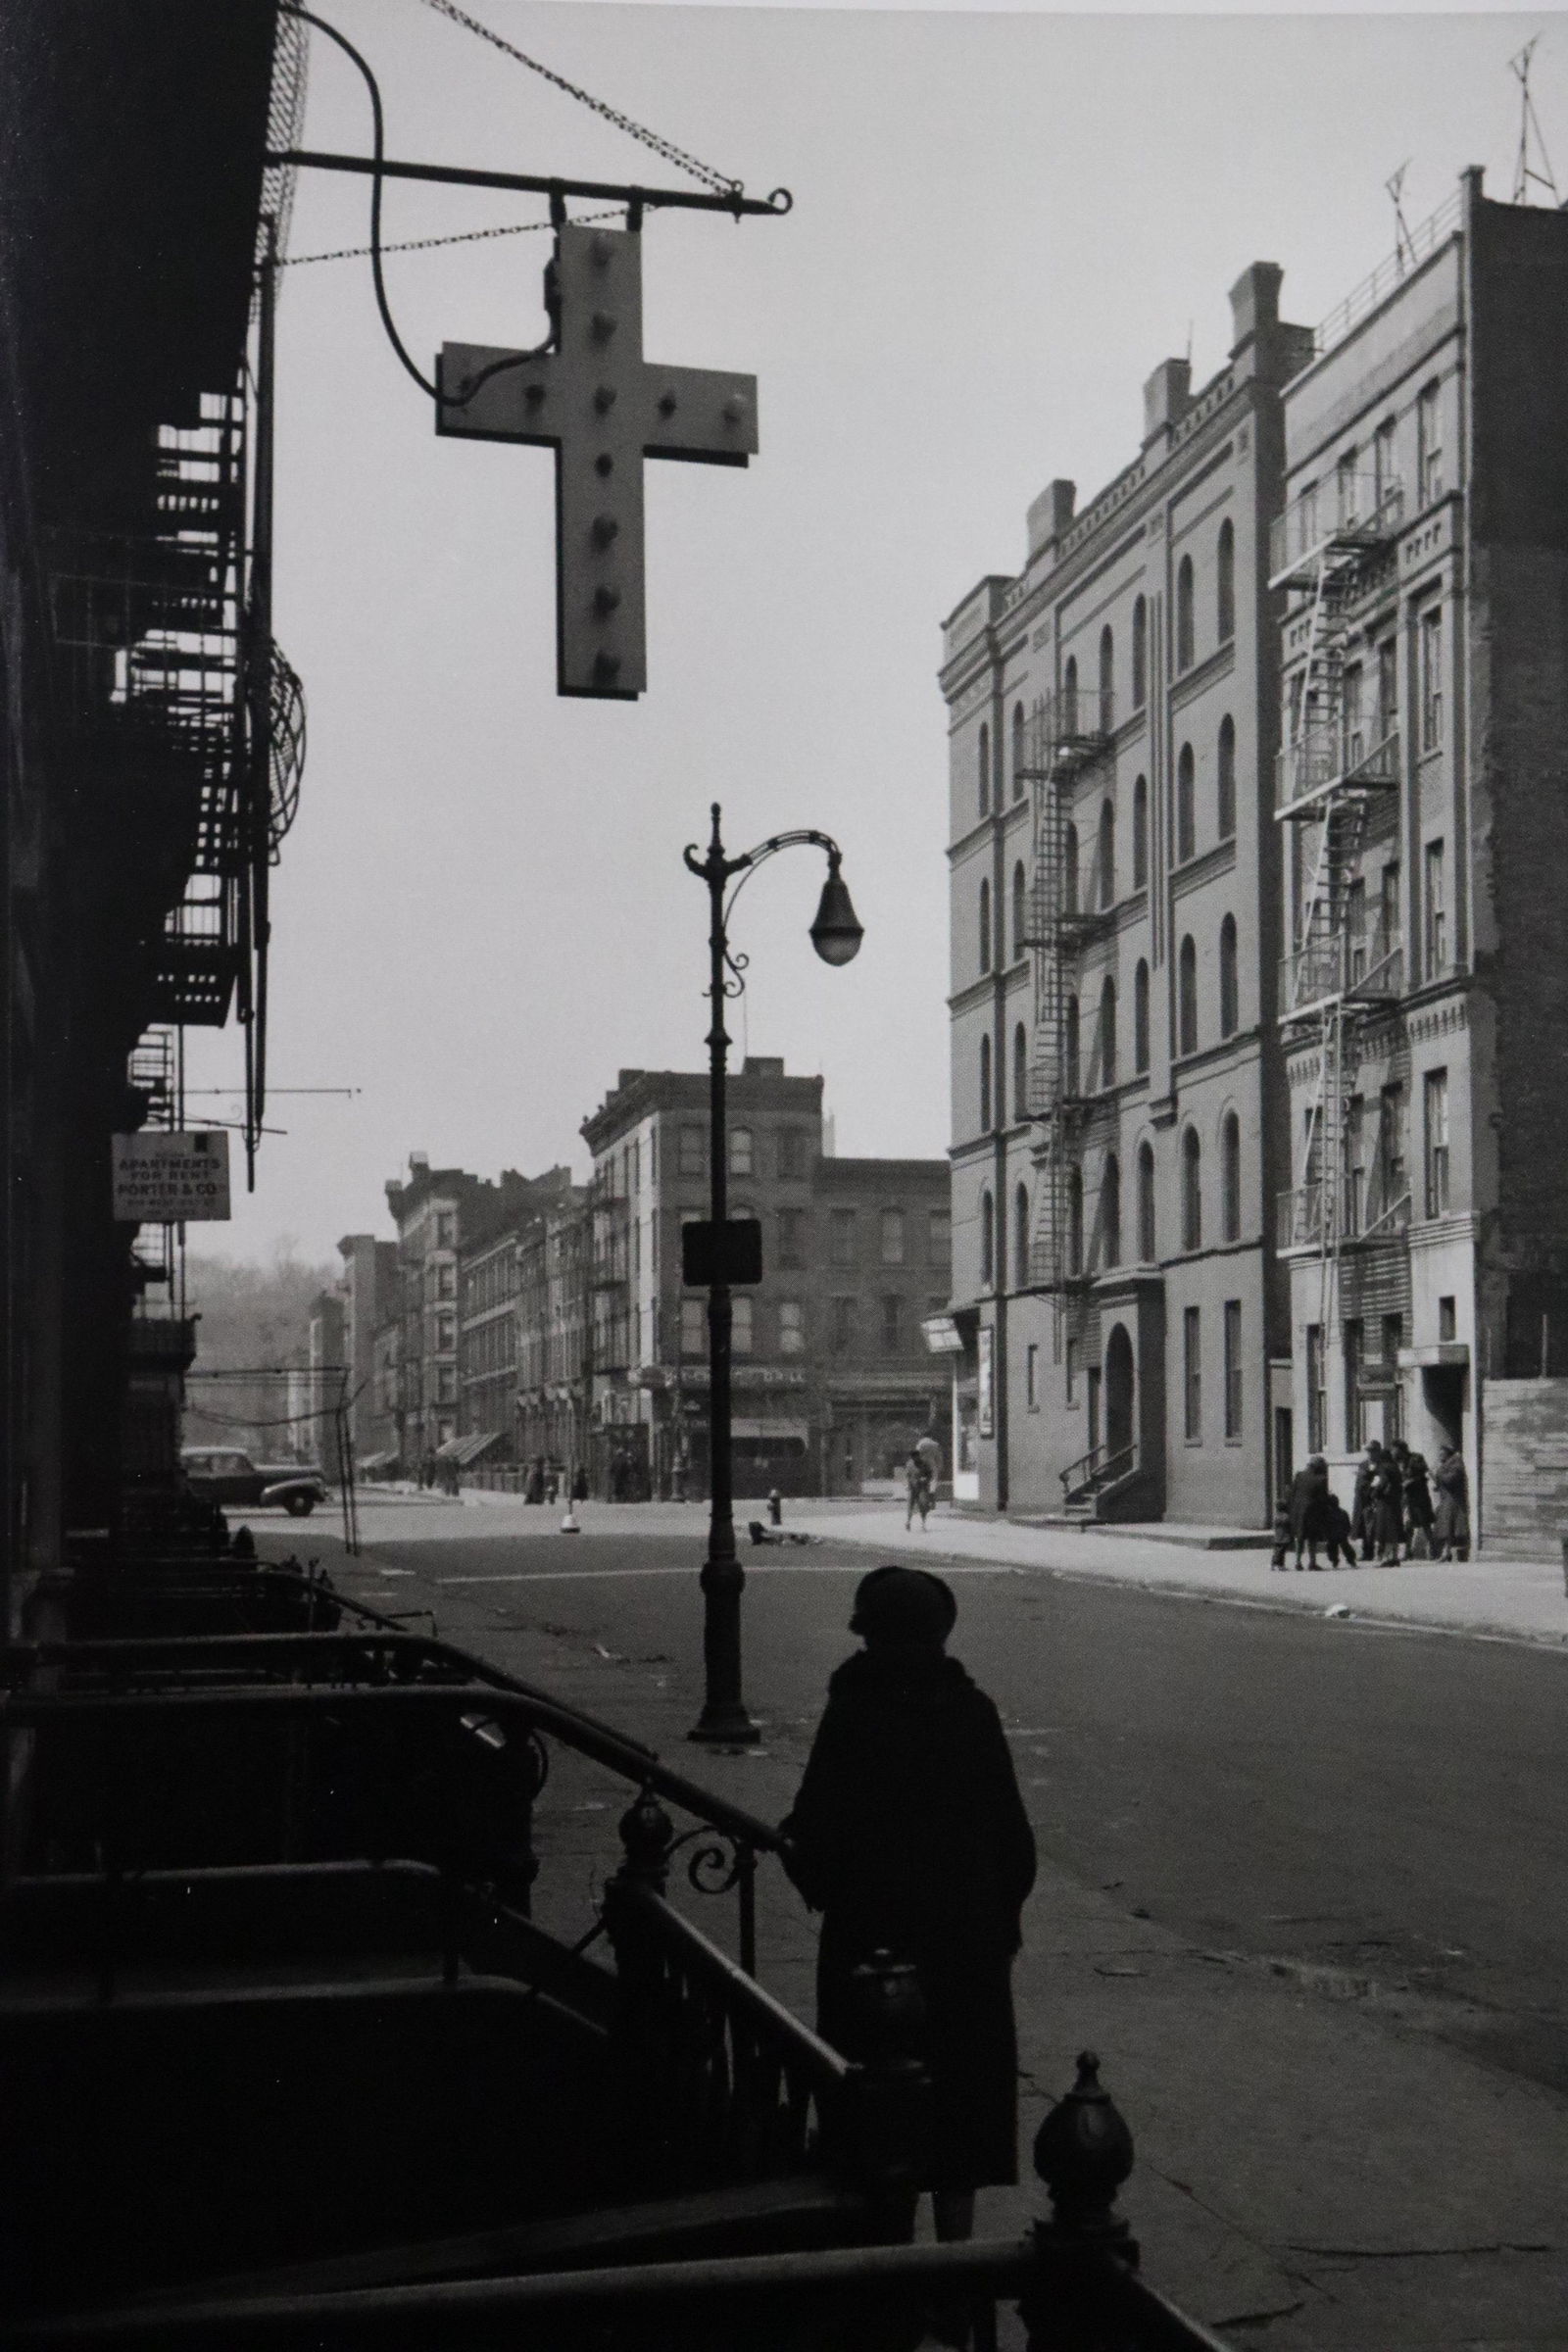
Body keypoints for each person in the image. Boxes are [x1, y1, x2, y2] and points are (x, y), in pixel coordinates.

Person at [781, 1566, 1036, 2250]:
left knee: (876, 2109)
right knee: (964, 2104)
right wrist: (998, 1921)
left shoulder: (855, 1712)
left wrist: (815, 1876)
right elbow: (1014, 1840)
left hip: (873, 1943)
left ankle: (889, 2259)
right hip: (967, 1943)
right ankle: (958, 2269)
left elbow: (814, 1830)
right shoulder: (971, 1711)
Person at [1287, 1452, 1333, 1569]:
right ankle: (1312, 1562)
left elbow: (1292, 1493)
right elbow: (1323, 1498)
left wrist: (1292, 1509)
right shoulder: (1321, 1479)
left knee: (1299, 1537)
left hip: (1298, 1510)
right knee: (1312, 1537)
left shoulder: (1299, 1475)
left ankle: (1297, 1561)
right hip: (1313, 1511)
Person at [1433, 1446, 1471, 1560]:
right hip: (1446, 1499)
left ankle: (1449, 1552)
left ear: (1448, 1454)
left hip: (1452, 1501)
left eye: (1442, 1454)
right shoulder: (1447, 1466)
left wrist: (1438, 1474)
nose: (1440, 1456)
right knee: (1446, 1527)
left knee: (1450, 1526)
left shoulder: (1456, 1466)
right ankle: (1446, 1551)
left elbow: (1450, 1480)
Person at [1368, 1449, 1404, 1563]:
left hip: (1385, 1502)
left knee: (1385, 1529)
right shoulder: (1395, 1467)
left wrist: (1374, 1493)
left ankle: (1387, 1557)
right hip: (1395, 1501)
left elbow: (1382, 1482)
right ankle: (1394, 1556)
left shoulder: (1383, 1467)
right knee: (1394, 1528)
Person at [1351, 1442, 1384, 1562]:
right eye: (1369, 1451)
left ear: (1378, 1451)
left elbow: (1380, 1482)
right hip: (1361, 1499)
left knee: (1373, 1526)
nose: (1370, 1454)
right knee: (1363, 1527)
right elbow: (1359, 1482)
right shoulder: (1363, 1464)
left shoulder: (1381, 1465)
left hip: (1373, 1499)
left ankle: (1377, 1552)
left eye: (1373, 1451)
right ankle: (1366, 1552)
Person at [1400, 1446, 1435, 1558]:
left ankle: (1432, 1551)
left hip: (1420, 1497)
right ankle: (1407, 1552)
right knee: (1407, 1525)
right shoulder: (1400, 1461)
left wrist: (1410, 1481)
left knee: (1425, 1524)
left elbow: (1423, 1474)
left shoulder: (1416, 1458)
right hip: (1407, 1498)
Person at [904, 1449, 933, 1532]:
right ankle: (908, 1522)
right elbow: (907, 1475)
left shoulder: (925, 1464)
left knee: (923, 1505)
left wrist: (926, 1479)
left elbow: (930, 1474)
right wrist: (907, 1484)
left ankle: (923, 1524)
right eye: (912, 1457)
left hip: (922, 1488)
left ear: (918, 1456)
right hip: (912, 1488)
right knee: (910, 1505)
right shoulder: (909, 1464)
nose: (913, 1459)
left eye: (915, 1457)